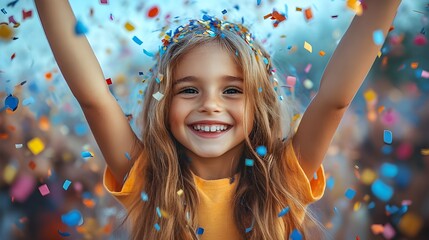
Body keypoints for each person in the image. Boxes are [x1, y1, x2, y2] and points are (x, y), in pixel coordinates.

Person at [34, 0, 402, 239]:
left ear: (259, 105)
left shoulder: (282, 177)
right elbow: (95, 99)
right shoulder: (150, 178)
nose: (210, 105)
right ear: (164, 103)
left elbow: (334, 100)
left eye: (232, 91)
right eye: (189, 90)